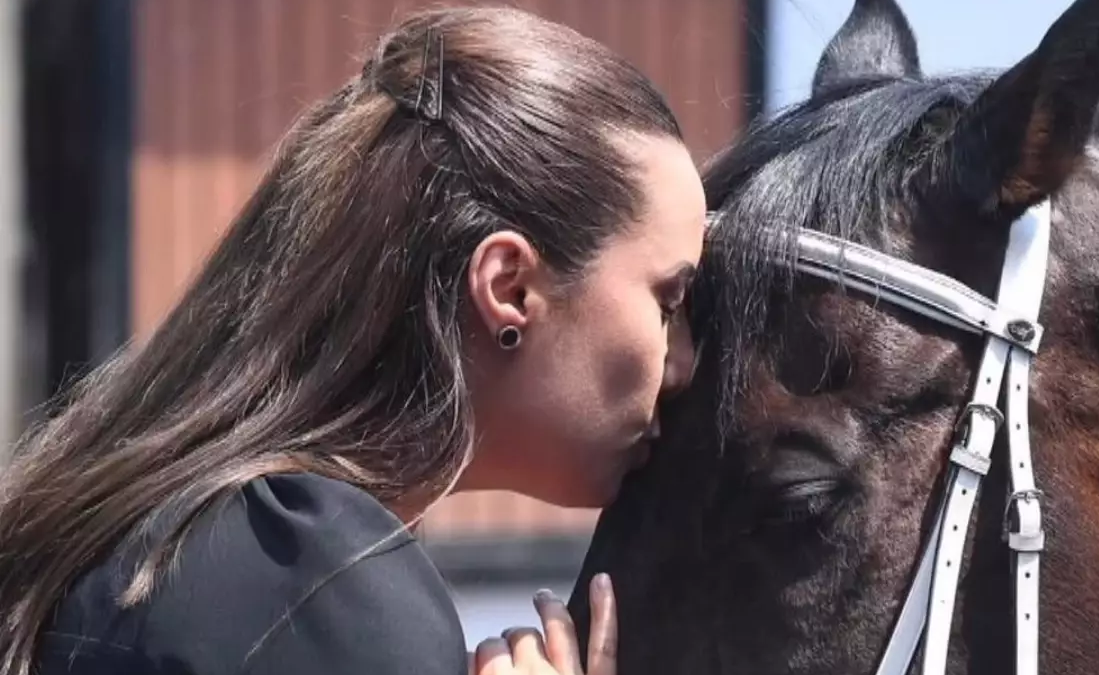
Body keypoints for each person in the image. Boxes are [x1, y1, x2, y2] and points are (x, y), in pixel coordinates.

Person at [0, 6, 705, 675]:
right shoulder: (317, 590)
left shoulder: (211, 534)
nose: (684, 363)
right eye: (669, 300)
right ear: (509, 284)